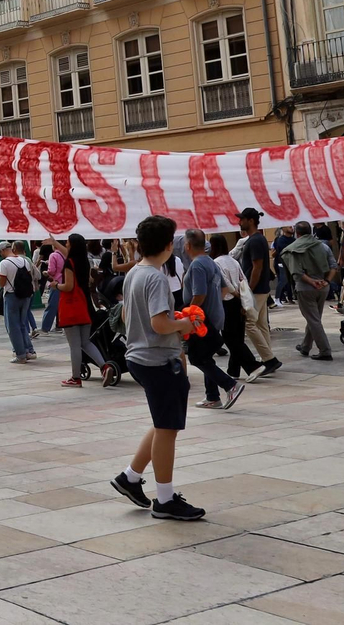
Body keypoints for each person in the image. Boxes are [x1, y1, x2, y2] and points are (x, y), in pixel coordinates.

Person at [110, 215, 204, 521]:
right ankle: (165, 499)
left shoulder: (135, 273)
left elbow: (127, 316)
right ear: (168, 245)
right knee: (168, 428)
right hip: (158, 358)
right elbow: (159, 323)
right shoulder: (156, 278)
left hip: (138, 356)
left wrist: (170, 321)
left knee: (163, 422)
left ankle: (131, 476)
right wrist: (186, 323)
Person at [181, 230, 243, 409]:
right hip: (215, 316)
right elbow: (224, 289)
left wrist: (191, 315)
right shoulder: (210, 262)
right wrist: (214, 304)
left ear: (188, 246)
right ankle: (212, 397)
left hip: (201, 320)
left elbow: (199, 294)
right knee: (206, 357)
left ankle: (230, 385)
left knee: (197, 358)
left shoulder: (197, 265)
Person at [57, 234, 109, 387]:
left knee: (74, 344)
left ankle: (76, 378)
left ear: (72, 245)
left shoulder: (69, 263)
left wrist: (56, 285)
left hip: (71, 307)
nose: (66, 244)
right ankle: (104, 366)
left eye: (67, 242)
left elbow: (69, 286)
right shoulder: (84, 262)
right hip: (84, 306)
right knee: (85, 342)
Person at [279, 220, 334, 362]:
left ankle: (325, 350)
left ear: (297, 233)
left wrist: (311, 282)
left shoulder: (293, 248)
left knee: (314, 320)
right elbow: (334, 266)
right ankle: (305, 346)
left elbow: (297, 272)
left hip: (306, 288)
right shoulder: (323, 246)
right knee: (314, 318)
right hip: (323, 287)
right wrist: (326, 281)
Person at [237, 209, 281, 376]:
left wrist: (249, 289)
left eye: (242, 219)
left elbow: (257, 267)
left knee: (249, 324)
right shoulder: (258, 239)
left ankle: (269, 359)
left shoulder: (255, 240)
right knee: (261, 324)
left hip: (256, 289)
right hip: (262, 289)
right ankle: (268, 358)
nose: (239, 222)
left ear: (250, 220)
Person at [214, 235, 262, 382]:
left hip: (228, 301)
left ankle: (253, 366)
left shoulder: (216, 262)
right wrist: (242, 298)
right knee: (238, 335)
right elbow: (243, 279)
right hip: (239, 301)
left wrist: (235, 294)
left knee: (230, 338)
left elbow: (225, 283)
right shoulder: (233, 261)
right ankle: (233, 370)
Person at [0, 241, 36, 363]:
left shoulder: (4, 263)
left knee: (13, 326)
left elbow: (2, 283)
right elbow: (29, 277)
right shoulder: (24, 260)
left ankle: (20, 355)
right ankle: (29, 350)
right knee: (22, 324)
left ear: (3, 250)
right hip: (25, 295)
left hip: (11, 295)